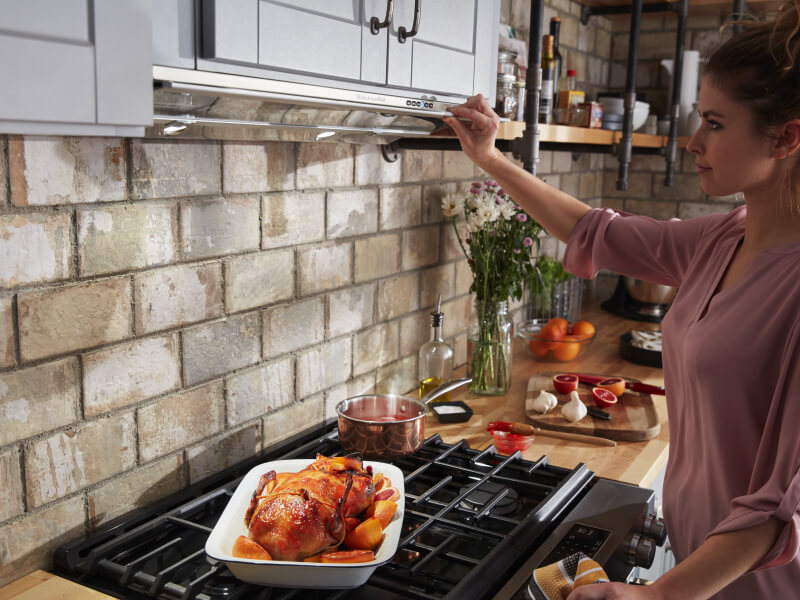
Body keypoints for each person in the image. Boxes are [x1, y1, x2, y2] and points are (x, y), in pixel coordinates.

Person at [443, 2, 800, 599]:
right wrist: (490, 157)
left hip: (756, 585)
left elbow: (780, 505)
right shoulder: (723, 237)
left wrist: (658, 595)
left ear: (787, 137)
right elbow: (596, 229)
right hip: (696, 561)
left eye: (715, 123)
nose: (693, 141)